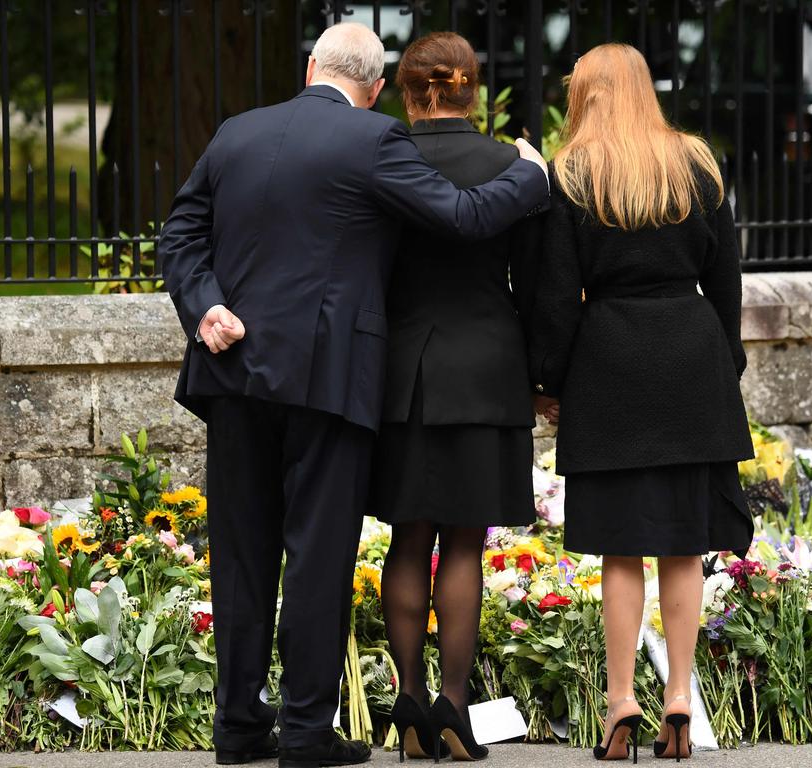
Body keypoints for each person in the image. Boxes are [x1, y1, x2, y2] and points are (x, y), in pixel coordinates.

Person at [159, 22, 549, 768]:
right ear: (374, 90)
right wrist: (528, 175)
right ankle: (305, 732)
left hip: (231, 369)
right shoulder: (373, 141)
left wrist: (204, 304)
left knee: (240, 557)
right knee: (316, 555)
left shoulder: (236, 133)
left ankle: (239, 726)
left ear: (311, 67)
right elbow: (463, 217)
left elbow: (180, 234)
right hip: (325, 378)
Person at [528, 44, 754, 762]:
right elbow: (726, 284)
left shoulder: (572, 175)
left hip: (609, 363)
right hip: (691, 355)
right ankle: (679, 693)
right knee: (682, 545)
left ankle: (622, 696)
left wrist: (550, 381)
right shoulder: (696, 163)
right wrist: (725, 367)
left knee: (620, 549)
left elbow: (559, 298)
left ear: (585, 94)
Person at [370, 32, 542, 763]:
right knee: (465, 541)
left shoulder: (380, 159)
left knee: (409, 537)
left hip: (402, 371)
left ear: (409, 92)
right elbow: (537, 289)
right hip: (487, 368)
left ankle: (408, 701)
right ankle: (453, 704)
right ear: (474, 92)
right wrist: (545, 376)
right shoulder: (513, 166)